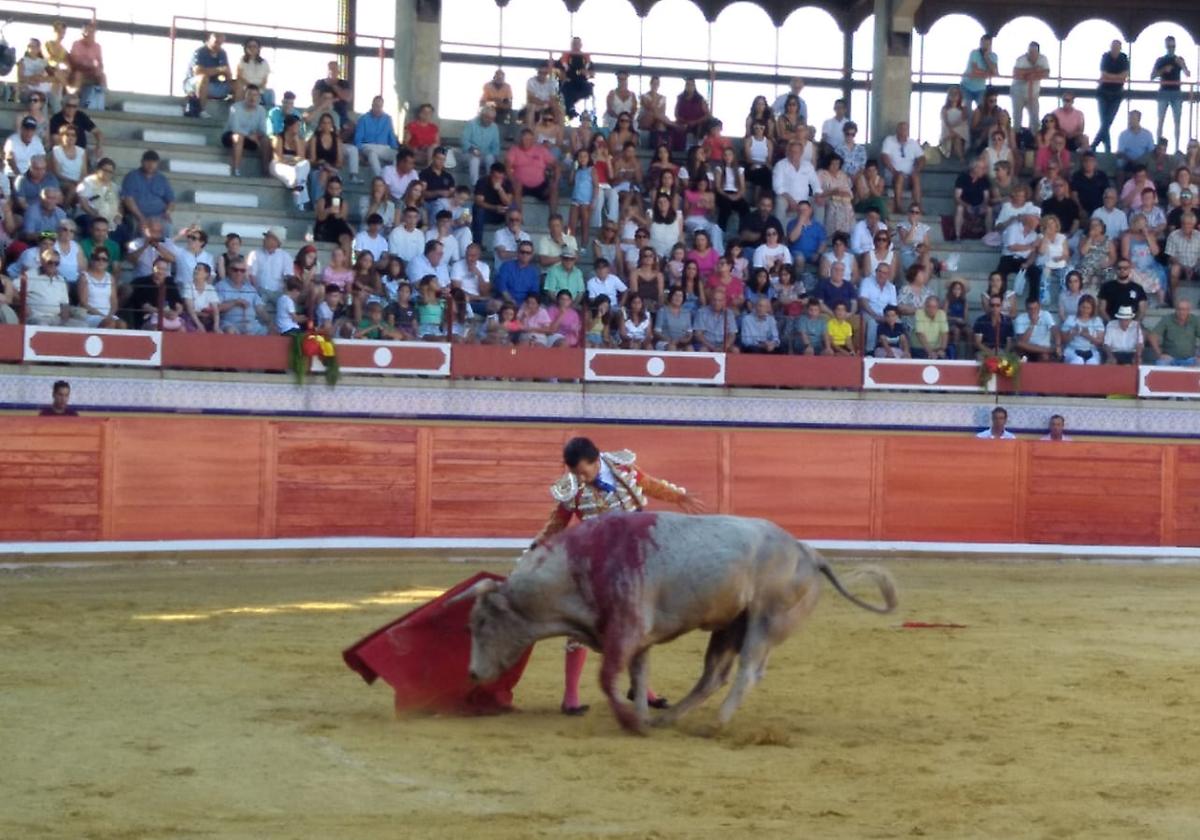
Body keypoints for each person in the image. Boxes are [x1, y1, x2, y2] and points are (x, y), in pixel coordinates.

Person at [532, 436, 703, 715]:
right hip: (596, 562)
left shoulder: (624, 470)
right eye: (574, 472)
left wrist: (679, 497)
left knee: (638, 621)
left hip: (634, 558)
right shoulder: (573, 488)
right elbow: (557, 523)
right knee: (581, 624)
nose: (579, 477)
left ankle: (642, 689)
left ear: (595, 460)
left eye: (583, 471)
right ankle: (570, 697)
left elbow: (651, 484)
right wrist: (536, 547)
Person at [119, 150, 174, 237]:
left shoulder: (162, 178)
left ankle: (164, 250)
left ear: (158, 164)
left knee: (167, 226)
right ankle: (143, 250)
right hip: (137, 216)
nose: (150, 165)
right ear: (142, 162)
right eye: (148, 162)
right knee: (143, 228)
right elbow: (128, 199)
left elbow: (171, 200)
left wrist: (167, 212)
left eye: (154, 162)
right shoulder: (132, 176)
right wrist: (141, 217)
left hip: (159, 216)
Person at [1152, 36, 1191, 153]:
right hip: (1164, 91)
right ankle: (1158, 147)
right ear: (1165, 46)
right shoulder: (1160, 60)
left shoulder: (1179, 59)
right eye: (1169, 46)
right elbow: (1152, 76)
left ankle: (1177, 148)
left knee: (1177, 121)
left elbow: (1188, 74)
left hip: (1176, 92)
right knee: (1160, 120)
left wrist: (1182, 65)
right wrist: (1163, 70)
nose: (1171, 49)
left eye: (1173, 46)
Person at [507, 129, 559, 215]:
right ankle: (518, 217)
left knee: (553, 188)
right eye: (524, 139)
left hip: (539, 185)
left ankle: (553, 217)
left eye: (529, 139)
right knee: (517, 186)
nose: (526, 142)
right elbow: (507, 166)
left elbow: (556, 165)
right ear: (520, 139)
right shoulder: (514, 150)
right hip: (521, 186)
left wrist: (556, 181)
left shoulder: (541, 150)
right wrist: (512, 180)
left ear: (533, 140)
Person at [223, 85, 271, 178]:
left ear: (259, 97)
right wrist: (249, 136)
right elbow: (235, 128)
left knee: (266, 140)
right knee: (238, 137)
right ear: (245, 95)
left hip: (251, 138)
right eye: (249, 94)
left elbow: (263, 130)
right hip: (230, 136)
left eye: (255, 95)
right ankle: (236, 170)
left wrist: (256, 136)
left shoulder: (261, 110)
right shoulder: (235, 107)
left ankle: (266, 171)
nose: (252, 98)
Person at [184, 33, 233, 118]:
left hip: (215, 85)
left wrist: (226, 74)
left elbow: (227, 72)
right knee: (203, 78)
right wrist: (218, 70)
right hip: (193, 84)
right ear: (209, 39)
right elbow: (198, 72)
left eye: (221, 42)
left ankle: (236, 115)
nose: (218, 45)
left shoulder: (222, 53)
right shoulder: (200, 52)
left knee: (238, 84)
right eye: (216, 41)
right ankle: (200, 110)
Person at [1093, 40, 1130, 154]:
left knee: (1107, 121)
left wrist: (1111, 77)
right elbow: (1104, 74)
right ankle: (1106, 148)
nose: (1114, 50)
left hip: (1117, 93)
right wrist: (1117, 77)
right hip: (1103, 92)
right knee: (1105, 121)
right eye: (1113, 47)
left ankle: (1095, 145)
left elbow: (1124, 75)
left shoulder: (1124, 58)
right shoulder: (1105, 56)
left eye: (1117, 47)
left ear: (1120, 48)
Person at [880, 122, 924, 213]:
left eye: (905, 129)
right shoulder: (889, 140)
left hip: (909, 176)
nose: (903, 131)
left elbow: (922, 158)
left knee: (916, 176)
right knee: (899, 176)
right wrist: (894, 171)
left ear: (908, 132)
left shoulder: (913, 143)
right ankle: (898, 207)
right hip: (893, 174)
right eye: (901, 129)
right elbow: (884, 157)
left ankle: (917, 207)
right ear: (897, 130)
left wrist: (917, 169)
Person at [353, 96, 400, 178]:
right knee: (372, 154)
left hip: (384, 147)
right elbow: (358, 137)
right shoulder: (363, 118)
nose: (378, 108)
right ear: (372, 105)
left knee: (398, 156)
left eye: (380, 106)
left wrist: (395, 147)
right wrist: (359, 151)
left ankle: (392, 177)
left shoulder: (387, 119)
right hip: (368, 146)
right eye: (376, 106)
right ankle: (380, 178)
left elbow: (391, 135)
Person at [1011, 42, 1050, 133]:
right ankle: (1016, 139)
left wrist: (1028, 74)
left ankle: (1034, 141)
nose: (1032, 54)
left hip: (1033, 94)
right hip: (1017, 93)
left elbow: (1046, 74)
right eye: (1030, 51)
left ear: (1038, 52)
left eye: (1034, 51)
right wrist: (1035, 70)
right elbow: (1016, 73)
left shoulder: (1043, 59)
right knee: (1017, 118)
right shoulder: (1021, 59)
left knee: (1035, 119)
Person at [1148, 299, 1200, 365]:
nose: (1181, 312)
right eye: (1179, 309)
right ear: (1175, 309)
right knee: (1161, 364)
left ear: (1189, 310)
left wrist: (1199, 355)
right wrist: (1159, 354)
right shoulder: (1167, 319)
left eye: (1184, 309)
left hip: (1190, 358)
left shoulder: (1194, 320)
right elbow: (1152, 336)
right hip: (1170, 358)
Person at [67, 21, 106, 106]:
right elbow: (75, 61)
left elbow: (100, 62)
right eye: (87, 31)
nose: (89, 34)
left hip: (92, 72)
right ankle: (73, 101)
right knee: (78, 75)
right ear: (83, 32)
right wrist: (89, 64)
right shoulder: (76, 44)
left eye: (92, 32)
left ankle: (101, 102)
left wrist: (99, 69)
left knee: (102, 76)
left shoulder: (97, 46)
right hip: (78, 70)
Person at [954, 157, 993, 240]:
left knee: (989, 209)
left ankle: (989, 235)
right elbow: (957, 197)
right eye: (982, 168)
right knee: (959, 208)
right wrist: (967, 206)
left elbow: (986, 196)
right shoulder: (962, 178)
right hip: (965, 204)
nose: (984, 170)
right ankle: (958, 235)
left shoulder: (984, 179)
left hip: (979, 204)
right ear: (975, 168)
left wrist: (984, 205)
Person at [1061, 295, 1105, 365]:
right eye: (1083, 307)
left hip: (1091, 351)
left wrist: (1087, 335)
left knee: (1092, 363)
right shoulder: (1070, 319)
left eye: (1088, 308)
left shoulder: (1097, 321)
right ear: (1079, 307)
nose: (1085, 310)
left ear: (1092, 309)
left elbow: (1100, 342)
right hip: (1072, 350)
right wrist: (1073, 333)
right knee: (1078, 361)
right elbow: (1063, 340)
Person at [557, 38, 594, 119]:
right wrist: (564, 77)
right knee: (566, 88)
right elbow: (558, 70)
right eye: (574, 43)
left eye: (577, 43)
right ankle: (570, 109)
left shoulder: (585, 57)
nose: (576, 45)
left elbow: (592, 73)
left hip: (582, 82)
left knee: (588, 88)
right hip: (569, 82)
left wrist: (587, 73)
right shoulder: (565, 56)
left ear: (581, 45)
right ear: (571, 45)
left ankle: (570, 105)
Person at [960, 35, 998, 110]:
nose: (984, 46)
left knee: (982, 111)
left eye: (987, 44)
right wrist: (988, 73)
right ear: (980, 43)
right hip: (966, 86)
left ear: (991, 45)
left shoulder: (994, 56)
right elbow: (975, 70)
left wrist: (986, 57)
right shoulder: (974, 53)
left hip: (980, 88)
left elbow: (995, 72)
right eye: (983, 44)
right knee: (967, 112)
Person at [1116, 111, 1156, 175]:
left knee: (1151, 164)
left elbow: (1151, 151)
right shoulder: (1123, 134)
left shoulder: (1147, 134)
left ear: (1139, 119)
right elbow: (1120, 152)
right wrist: (1130, 160)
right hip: (1128, 161)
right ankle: (1120, 185)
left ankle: (1150, 184)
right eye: (1129, 118)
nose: (1130, 121)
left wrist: (1141, 160)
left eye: (1133, 118)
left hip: (1143, 162)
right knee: (1120, 163)